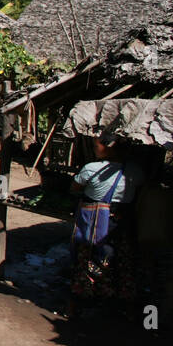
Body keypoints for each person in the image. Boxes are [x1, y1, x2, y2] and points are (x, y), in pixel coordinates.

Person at [68, 135, 142, 315]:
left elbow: (74, 188)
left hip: (93, 225)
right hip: (120, 225)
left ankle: (81, 300)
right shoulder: (135, 171)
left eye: (97, 145)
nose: (94, 148)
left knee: (87, 259)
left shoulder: (92, 169)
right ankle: (120, 302)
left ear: (109, 147)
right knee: (120, 261)